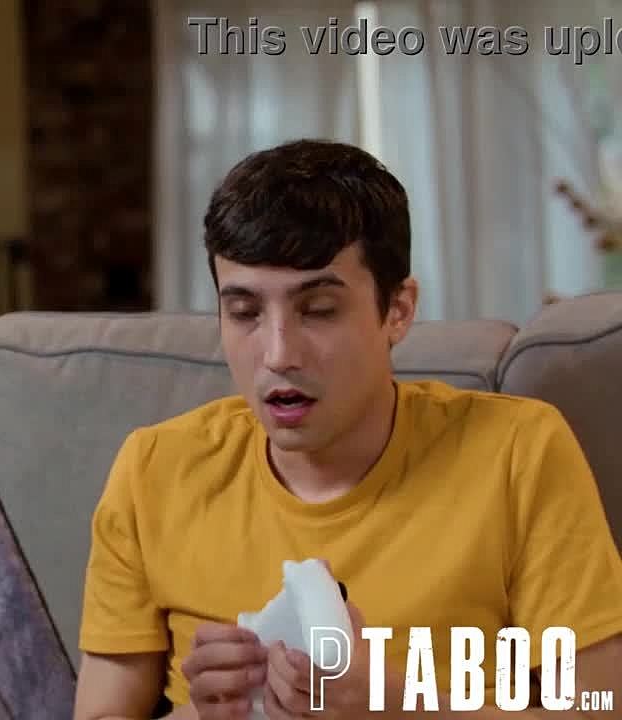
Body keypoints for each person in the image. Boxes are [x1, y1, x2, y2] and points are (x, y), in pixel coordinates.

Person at [72, 139, 622, 719]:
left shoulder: (516, 453)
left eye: (318, 310)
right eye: (245, 313)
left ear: (398, 310)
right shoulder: (154, 470)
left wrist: (394, 705)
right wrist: (205, 716)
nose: (279, 354)